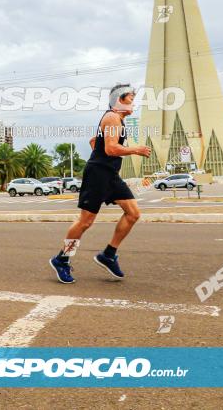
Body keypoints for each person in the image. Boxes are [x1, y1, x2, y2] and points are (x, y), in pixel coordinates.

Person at [49, 84, 151, 283]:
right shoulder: (112, 117)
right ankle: (62, 259)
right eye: (131, 98)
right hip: (98, 175)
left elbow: (95, 140)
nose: (134, 103)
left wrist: (99, 149)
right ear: (119, 99)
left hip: (110, 174)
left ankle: (108, 255)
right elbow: (112, 149)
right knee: (85, 222)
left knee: (133, 214)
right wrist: (135, 149)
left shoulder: (117, 120)